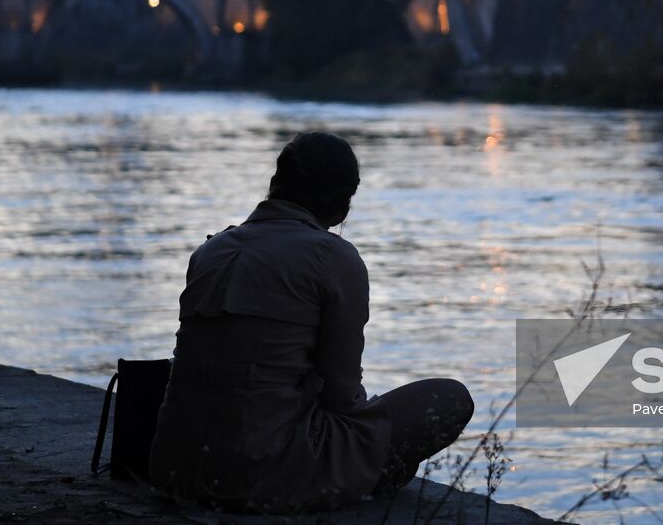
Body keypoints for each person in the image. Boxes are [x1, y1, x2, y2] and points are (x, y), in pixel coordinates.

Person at [147, 132, 474, 513]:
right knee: (449, 398)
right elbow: (342, 394)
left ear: (276, 185)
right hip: (263, 476)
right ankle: (359, 483)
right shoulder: (333, 257)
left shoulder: (210, 249)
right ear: (341, 203)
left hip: (175, 470)